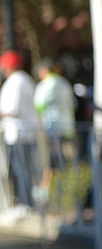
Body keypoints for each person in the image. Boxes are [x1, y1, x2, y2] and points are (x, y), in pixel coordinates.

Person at [0, 50, 42, 209]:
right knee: (22, 169)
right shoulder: (22, 80)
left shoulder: (18, 81)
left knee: (22, 169)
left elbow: (13, 109)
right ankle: (25, 201)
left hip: (20, 132)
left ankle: (25, 202)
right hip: (20, 132)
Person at [33, 57, 76, 190]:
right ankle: (69, 190)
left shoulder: (45, 85)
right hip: (68, 128)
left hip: (52, 128)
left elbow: (38, 105)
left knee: (52, 163)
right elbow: (73, 105)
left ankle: (56, 193)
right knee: (67, 161)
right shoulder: (64, 83)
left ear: (44, 71)